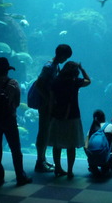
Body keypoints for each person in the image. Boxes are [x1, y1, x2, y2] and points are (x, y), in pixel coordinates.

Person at [0, 57, 32, 187]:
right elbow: (16, 103)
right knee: (15, 149)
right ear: (7, 70)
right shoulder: (13, 83)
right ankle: (20, 176)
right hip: (9, 119)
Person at [48, 60, 91, 178]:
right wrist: (83, 70)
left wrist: (51, 114)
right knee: (71, 145)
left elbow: (51, 100)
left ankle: (57, 168)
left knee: (57, 144)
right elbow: (88, 81)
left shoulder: (56, 81)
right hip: (73, 116)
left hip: (57, 115)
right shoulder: (75, 81)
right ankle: (70, 171)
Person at [33, 44, 72, 173]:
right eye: (65, 57)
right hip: (45, 105)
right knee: (43, 131)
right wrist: (48, 99)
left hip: (49, 104)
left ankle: (42, 159)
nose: (65, 60)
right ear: (61, 55)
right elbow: (39, 84)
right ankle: (39, 161)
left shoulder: (55, 66)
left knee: (46, 131)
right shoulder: (49, 67)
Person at [84, 109, 112, 176]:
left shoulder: (91, 130)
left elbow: (85, 146)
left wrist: (90, 156)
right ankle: (109, 163)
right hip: (105, 157)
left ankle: (92, 165)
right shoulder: (109, 126)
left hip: (92, 158)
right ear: (104, 117)